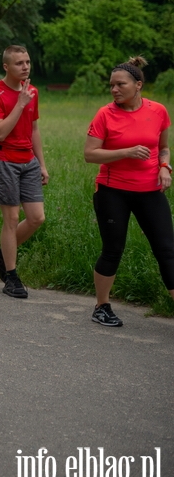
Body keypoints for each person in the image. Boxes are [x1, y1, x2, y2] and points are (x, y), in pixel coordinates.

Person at [84, 56, 174, 327]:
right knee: (113, 249)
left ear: (138, 85)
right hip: (112, 191)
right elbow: (90, 154)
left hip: (150, 190)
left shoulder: (158, 111)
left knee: (167, 250)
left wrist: (165, 167)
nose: (114, 90)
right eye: (111, 85)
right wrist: (127, 151)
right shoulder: (105, 114)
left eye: (120, 84)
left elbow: (163, 147)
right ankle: (102, 306)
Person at [0, 45, 48, 299]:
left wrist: (41, 164)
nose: (26, 67)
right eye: (20, 63)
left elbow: (34, 130)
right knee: (10, 219)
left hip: (28, 161)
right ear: (6, 67)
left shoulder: (32, 91)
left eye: (28, 62)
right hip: (3, 160)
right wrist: (20, 104)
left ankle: (0, 254)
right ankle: (11, 276)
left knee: (36, 218)